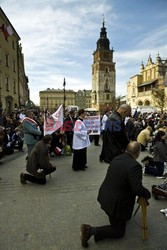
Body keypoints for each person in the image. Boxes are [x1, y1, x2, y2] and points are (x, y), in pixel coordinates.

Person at [80, 142, 151, 248]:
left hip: (105, 197)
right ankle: (89, 230)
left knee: (123, 219)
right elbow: (137, 189)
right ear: (137, 153)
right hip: (115, 204)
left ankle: (119, 218)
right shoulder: (135, 166)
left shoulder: (117, 158)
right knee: (119, 232)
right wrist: (148, 193)